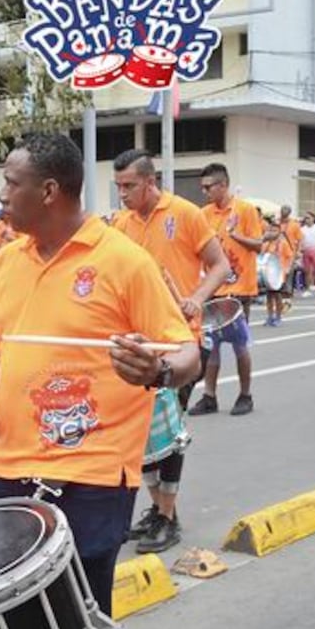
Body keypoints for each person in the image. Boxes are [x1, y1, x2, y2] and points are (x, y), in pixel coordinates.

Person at [0, 134, 199, 629]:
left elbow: (185, 350)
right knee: (13, 618)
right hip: (11, 468)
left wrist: (160, 370)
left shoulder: (124, 262)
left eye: (11, 182)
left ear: (49, 190)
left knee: (80, 624)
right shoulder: (7, 262)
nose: (1, 194)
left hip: (93, 476)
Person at [110, 148, 230, 554]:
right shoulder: (121, 224)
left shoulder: (185, 213)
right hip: (138, 345)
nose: (122, 194)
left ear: (149, 181)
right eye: (118, 187)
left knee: (170, 433)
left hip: (179, 343)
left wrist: (196, 297)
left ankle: (166, 515)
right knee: (143, 432)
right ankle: (159, 509)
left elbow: (220, 265)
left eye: (129, 186)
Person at [188, 163, 262, 417]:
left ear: (223, 185)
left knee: (240, 345)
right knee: (211, 345)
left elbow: (258, 245)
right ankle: (209, 396)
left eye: (209, 186)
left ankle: (245, 395)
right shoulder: (203, 214)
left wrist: (236, 235)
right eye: (203, 187)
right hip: (213, 288)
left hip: (240, 288)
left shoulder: (246, 210)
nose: (205, 191)